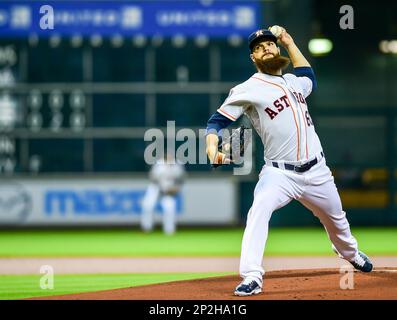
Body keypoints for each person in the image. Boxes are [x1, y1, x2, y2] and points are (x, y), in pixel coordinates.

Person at [205, 27, 373, 296]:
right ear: (253, 57)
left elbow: (309, 77)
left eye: (270, 44)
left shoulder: (294, 83)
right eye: (259, 47)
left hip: (317, 170)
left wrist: (290, 41)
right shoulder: (247, 89)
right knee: (258, 211)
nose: (267, 48)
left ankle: (349, 253)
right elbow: (216, 122)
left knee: (337, 220)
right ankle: (251, 276)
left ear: (278, 49)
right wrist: (212, 148)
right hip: (279, 174)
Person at [140, 154, 185, 235]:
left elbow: (181, 179)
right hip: (155, 187)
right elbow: (152, 177)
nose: (169, 158)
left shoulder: (177, 165)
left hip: (168, 189)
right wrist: (161, 186)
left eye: (171, 157)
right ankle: (146, 228)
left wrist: (176, 188)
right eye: (167, 157)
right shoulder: (159, 164)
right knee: (147, 206)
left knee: (170, 208)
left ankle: (169, 230)